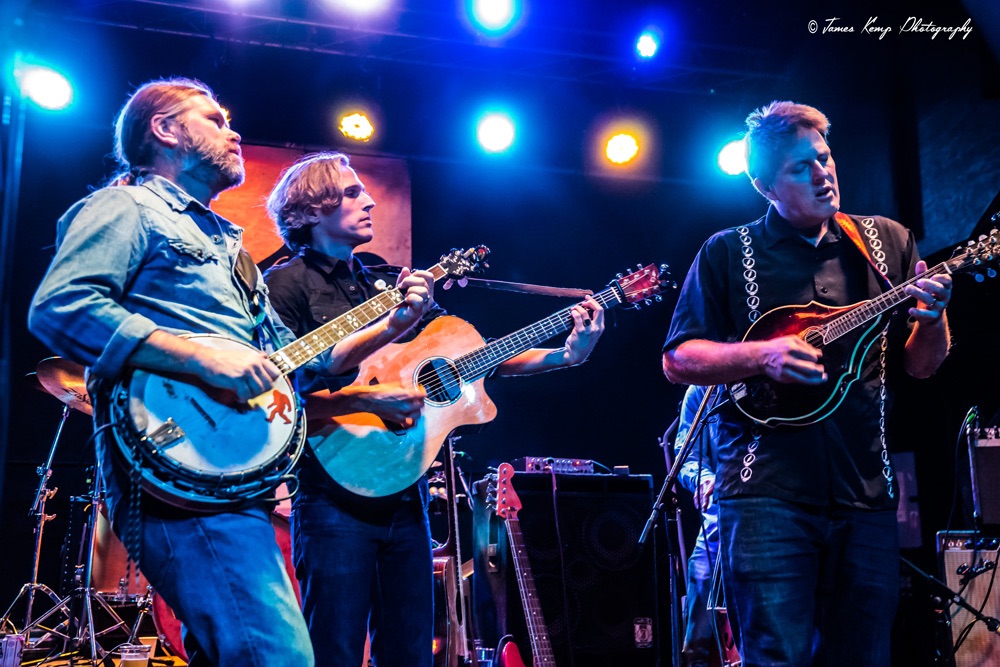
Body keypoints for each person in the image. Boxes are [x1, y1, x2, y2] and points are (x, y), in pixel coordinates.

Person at [27, 79, 433, 667]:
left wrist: (394, 324)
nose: (233, 130)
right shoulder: (126, 207)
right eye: (214, 119)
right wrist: (199, 355)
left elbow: (303, 362)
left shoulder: (232, 250)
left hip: (238, 480)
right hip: (172, 468)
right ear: (165, 130)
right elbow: (61, 307)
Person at [262, 151, 606, 667]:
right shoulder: (282, 286)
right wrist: (371, 387)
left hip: (406, 493)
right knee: (333, 651)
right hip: (333, 499)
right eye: (352, 192)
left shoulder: (382, 278)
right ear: (311, 210)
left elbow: (471, 358)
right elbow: (278, 395)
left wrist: (565, 355)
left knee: (410, 655)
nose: (369, 199)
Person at [661, 101, 952, 665]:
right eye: (802, 167)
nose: (823, 173)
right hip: (764, 491)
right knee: (776, 657)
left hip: (866, 491)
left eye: (825, 158)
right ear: (764, 184)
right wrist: (761, 355)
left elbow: (923, 366)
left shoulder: (887, 241)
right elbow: (678, 359)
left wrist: (935, 319)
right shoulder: (726, 253)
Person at [670, 384, 730, 667]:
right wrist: (703, 479)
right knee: (701, 578)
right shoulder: (703, 390)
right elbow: (686, 454)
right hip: (718, 522)